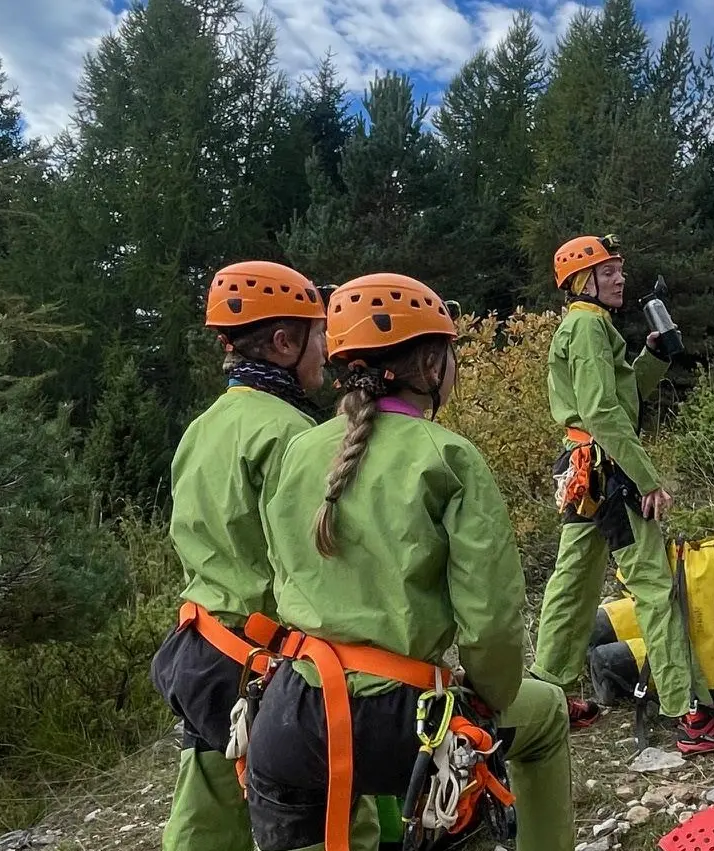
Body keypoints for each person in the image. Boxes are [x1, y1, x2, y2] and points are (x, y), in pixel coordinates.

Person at [244, 273, 575, 851]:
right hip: (407, 723)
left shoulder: (299, 449)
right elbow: (492, 617)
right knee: (543, 714)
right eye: (449, 354)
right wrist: (489, 695)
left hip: (292, 715)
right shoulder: (447, 457)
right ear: (428, 364)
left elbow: (280, 568)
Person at [529, 234, 714, 754]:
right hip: (611, 474)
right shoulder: (589, 325)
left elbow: (619, 395)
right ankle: (691, 715)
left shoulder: (585, 326)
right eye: (609, 271)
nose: (620, 278)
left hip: (583, 473)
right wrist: (646, 479)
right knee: (656, 592)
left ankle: (544, 697)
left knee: (572, 585)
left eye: (619, 269)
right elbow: (603, 412)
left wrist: (652, 356)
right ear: (581, 281)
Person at [149, 260, 329, 851]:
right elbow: (311, 566)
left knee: (208, 809)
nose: (328, 347)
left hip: (200, 651)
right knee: (329, 815)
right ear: (284, 342)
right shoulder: (290, 434)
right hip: (259, 660)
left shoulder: (203, 428)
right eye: (318, 331)